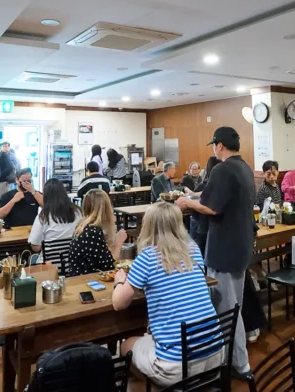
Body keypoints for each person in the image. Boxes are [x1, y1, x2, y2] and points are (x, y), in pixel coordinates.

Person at [112, 203, 222, 387]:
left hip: (178, 365)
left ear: (148, 226)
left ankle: (160, 388)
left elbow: (118, 303)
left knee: (126, 346)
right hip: (215, 354)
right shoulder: (193, 248)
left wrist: (119, 280)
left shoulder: (147, 257)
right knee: (151, 337)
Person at [175, 126, 255, 380]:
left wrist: (187, 203)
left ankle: (239, 364)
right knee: (236, 305)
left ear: (219, 146)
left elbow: (211, 207)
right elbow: (217, 196)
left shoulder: (222, 169)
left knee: (226, 309)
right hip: (242, 245)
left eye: (213, 145)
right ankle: (228, 359)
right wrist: (195, 195)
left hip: (224, 248)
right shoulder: (244, 167)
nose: (213, 149)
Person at [67, 189, 128, 276]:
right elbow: (110, 265)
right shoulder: (93, 232)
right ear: (106, 209)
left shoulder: (82, 226)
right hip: (87, 279)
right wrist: (119, 242)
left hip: (77, 276)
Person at [28, 179, 81, 253]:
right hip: (72, 260)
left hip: (49, 262)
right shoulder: (78, 212)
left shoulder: (43, 217)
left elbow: (36, 247)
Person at [187, 156, 220, 254]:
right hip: (215, 228)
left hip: (202, 227)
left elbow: (194, 205)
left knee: (198, 253)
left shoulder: (204, 185)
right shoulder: (222, 185)